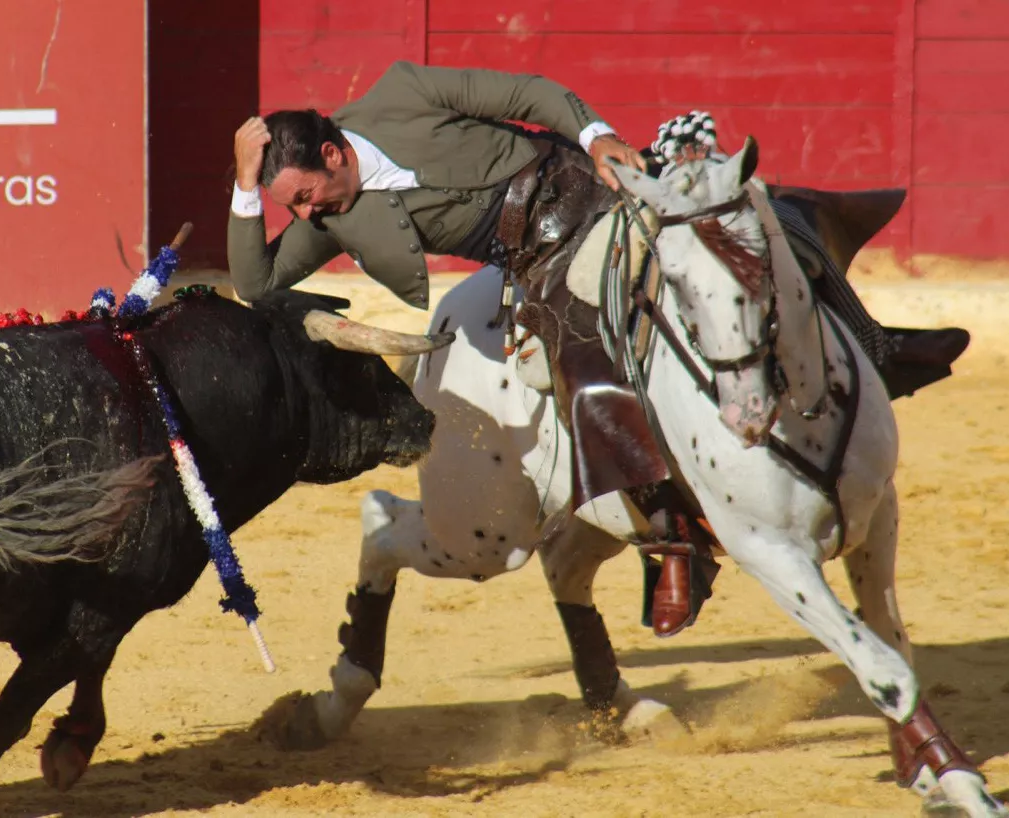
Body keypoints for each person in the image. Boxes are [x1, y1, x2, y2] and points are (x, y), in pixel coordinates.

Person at [225, 60, 968, 636]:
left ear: (332, 152)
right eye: (291, 206)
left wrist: (598, 135)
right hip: (541, 263)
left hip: (588, 187)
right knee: (577, 362)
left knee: (759, 223)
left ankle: (876, 348)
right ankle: (672, 535)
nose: (304, 212)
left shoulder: (401, 92)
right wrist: (246, 186)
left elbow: (526, 93)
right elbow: (255, 284)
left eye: (301, 195)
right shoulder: (332, 220)